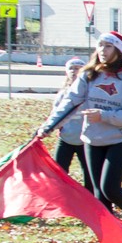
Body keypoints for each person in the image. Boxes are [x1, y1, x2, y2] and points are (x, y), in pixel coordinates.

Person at [37, 31, 122, 223]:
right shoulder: (89, 75)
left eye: (108, 46)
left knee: (110, 188)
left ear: (120, 51)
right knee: (99, 194)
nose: (102, 50)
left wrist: (104, 116)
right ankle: (112, 231)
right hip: (92, 139)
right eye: (100, 45)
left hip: (120, 140)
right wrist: (48, 127)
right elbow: (70, 103)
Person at [48, 58, 93, 192]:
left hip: (85, 138)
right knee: (59, 170)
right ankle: (61, 196)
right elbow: (56, 113)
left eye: (78, 68)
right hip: (66, 137)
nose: (74, 71)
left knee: (89, 172)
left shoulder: (90, 92)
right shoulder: (63, 93)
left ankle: (91, 200)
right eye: (71, 68)